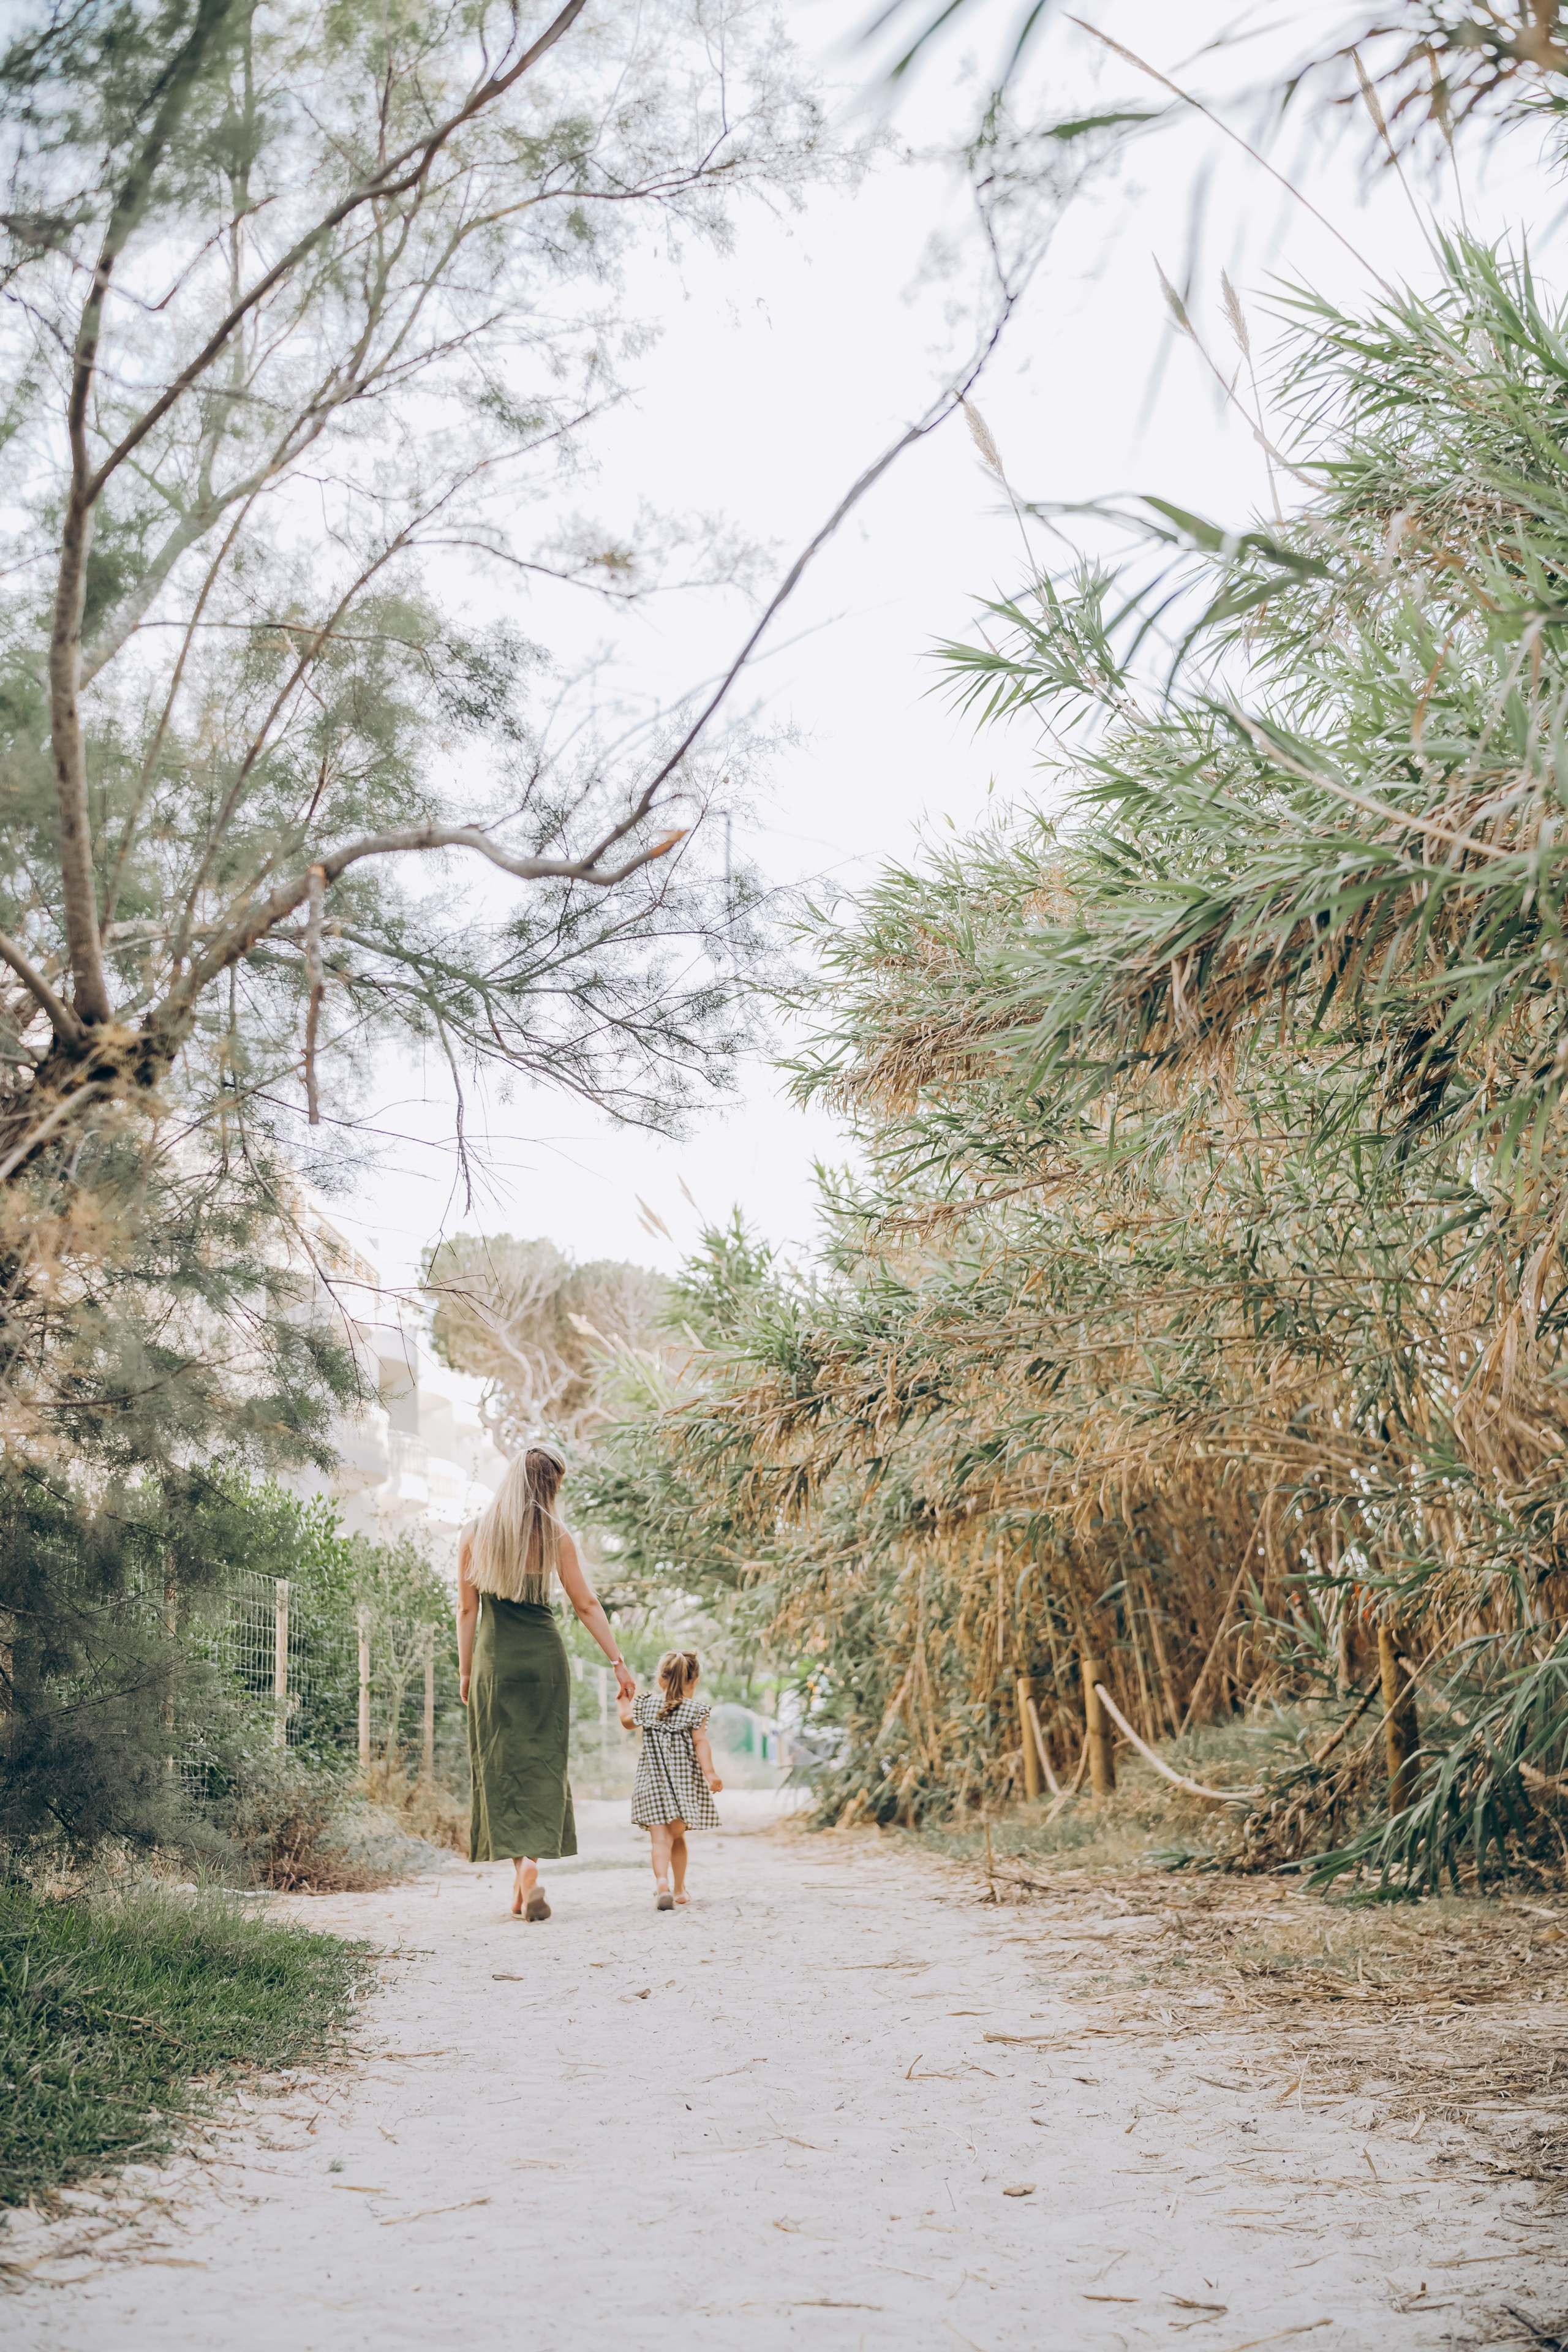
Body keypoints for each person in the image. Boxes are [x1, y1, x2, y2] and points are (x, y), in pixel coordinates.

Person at [457, 1444, 634, 1920]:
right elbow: (587, 1605)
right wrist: (618, 1661)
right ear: (551, 1485)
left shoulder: (474, 1534)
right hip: (545, 1664)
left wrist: (466, 1671)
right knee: (543, 1764)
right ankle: (529, 1869)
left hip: (496, 1666)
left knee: (500, 1765)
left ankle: (522, 1876)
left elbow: (468, 1610)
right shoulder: (557, 1537)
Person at [618, 1648, 723, 1910]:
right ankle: (679, 1889)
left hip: (651, 1784)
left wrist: (622, 1700)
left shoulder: (646, 1704)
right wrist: (710, 1774)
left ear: (660, 1679)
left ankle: (662, 1882)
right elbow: (701, 1743)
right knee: (677, 1837)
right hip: (682, 1787)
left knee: (659, 1840)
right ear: (694, 1681)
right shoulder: (696, 1711)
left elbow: (626, 1721)